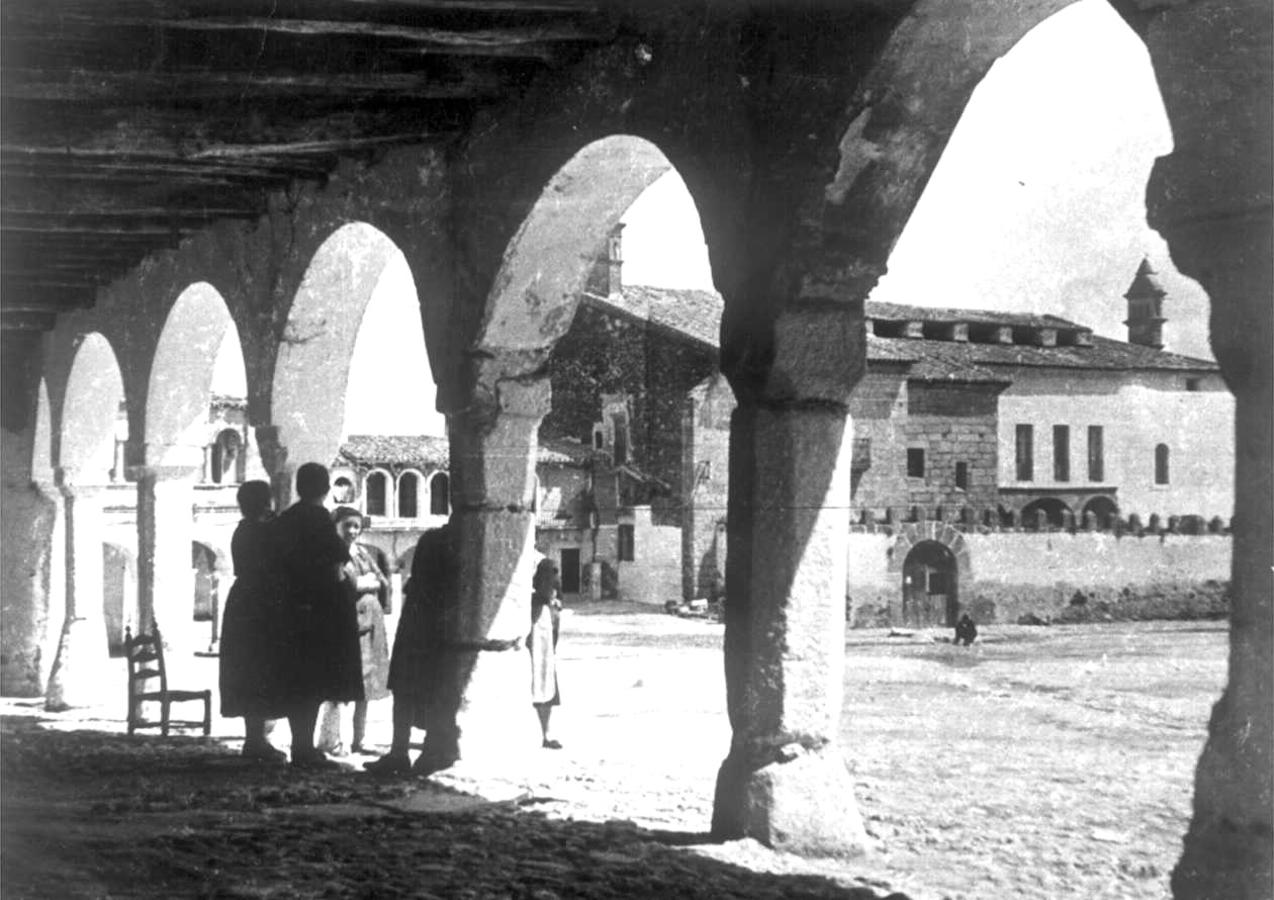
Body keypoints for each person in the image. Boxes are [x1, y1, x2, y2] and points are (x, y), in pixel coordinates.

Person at [274, 462, 363, 769]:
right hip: (318, 612)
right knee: (312, 683)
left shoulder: (286, 519)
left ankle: (301, 744)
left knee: (297, 681)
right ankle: (303, 748)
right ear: (325, 489)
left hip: (288, 610)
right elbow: (336, 562)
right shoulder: (319, 519)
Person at [364, 523, 458, 776]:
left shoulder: (431, 546)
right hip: (434, 634)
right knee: (430, 693)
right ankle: (422, 751)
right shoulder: (450, 549)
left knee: (406, 693)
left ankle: (401, 752)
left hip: (416, 631)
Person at [218, 480, 287, 762]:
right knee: (262, 669)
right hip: (263, 603)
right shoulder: (263, 531)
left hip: (243, 601)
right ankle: (258, 741)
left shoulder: (243, 530)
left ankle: (254, 738)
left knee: (248, 670)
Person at [317, 507, 391, 756]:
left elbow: (382, 581)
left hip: (370, 625)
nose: (351, 531)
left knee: (367, 684)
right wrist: (365, 583)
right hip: (346, 624)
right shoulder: (332, 554)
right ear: (335, 526)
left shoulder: (361, 552)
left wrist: (367, 582)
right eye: (346, 525)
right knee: (341, 685)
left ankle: (359, 738)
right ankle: (332, 740)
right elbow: (347, 584)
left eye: (356, 526)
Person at [529, 556, 563, 749]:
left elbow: (550, 593)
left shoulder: (543, 563)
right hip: (535, 624)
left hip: (539, 625)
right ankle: (544, 733)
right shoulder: (541, 562)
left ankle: (545, 733)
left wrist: (551, 599)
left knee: (543, 675)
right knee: (541, 675)